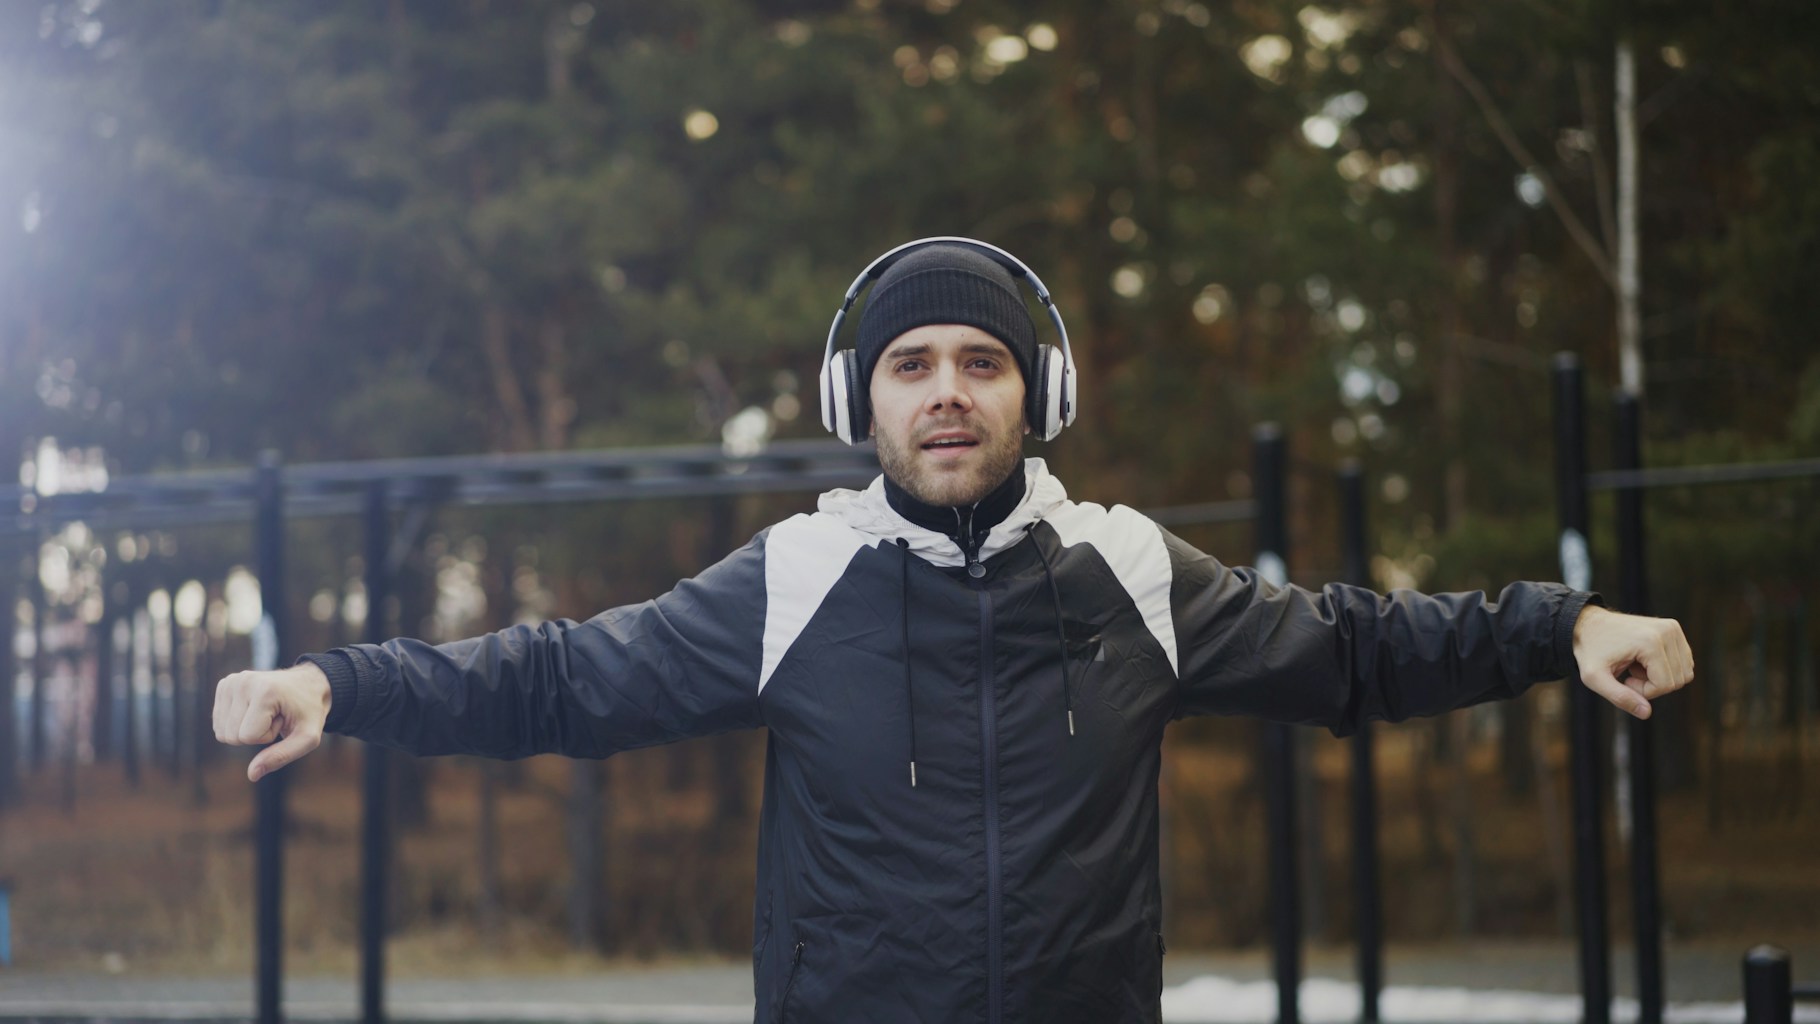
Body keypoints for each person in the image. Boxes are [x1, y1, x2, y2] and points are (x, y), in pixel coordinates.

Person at [214, 238, 1693, 1024]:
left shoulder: (1129, 570)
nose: (945, 391)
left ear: (1034, 393)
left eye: (981, 360)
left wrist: (1560, 625)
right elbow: (563, 679)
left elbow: (1357, 648)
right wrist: (340, 684)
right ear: (858, 399)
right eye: (909, 363)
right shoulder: (796, 577)